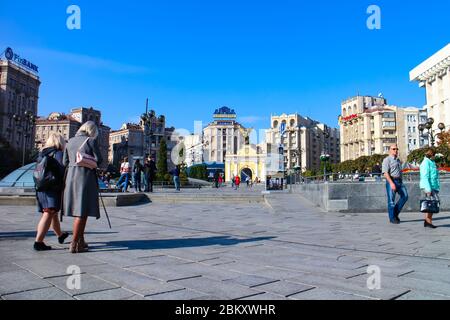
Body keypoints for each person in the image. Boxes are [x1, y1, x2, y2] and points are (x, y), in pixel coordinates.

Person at [63, 121, 103, 253]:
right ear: (91, 130)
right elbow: (100, 160)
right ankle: (74, 243)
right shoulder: (90, 141)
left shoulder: (69, 142)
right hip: (85, 177)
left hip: (71, 178)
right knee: (82, 211)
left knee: (79, 209)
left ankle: (81, 240)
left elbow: (64, 162)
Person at [34, 133, 69, 251]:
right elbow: (63, 170)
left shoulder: (42, 153)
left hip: (41, 187)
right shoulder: (58, 153)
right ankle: (38, 242)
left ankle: (60, 235)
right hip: (52, 188)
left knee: (53, 213)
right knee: (49, 212)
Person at [382, 144, 408, 225]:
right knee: (391, 201)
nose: (395, 150)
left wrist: (401, 180)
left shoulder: (398, 160)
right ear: (389, 150)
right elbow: (385, 173)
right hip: (391, 181)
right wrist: (391, 183)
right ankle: (392, 218)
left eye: (397, 149)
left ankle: (395, 213)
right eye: (393, 149)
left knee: (405, 196)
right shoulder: (387, 160)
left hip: (399, 181)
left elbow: (400, 171)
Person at [420, 148, 440, 229]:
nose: (434, 156)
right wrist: (428, 189)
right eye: (434, 155)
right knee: (430, 205)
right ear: (431, 154)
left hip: (433, 186)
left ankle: (427, 221)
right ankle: (428, 222)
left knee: (430, 204)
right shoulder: (425, 163)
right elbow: (425, 176)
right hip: (428, 186)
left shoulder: (431, 162)